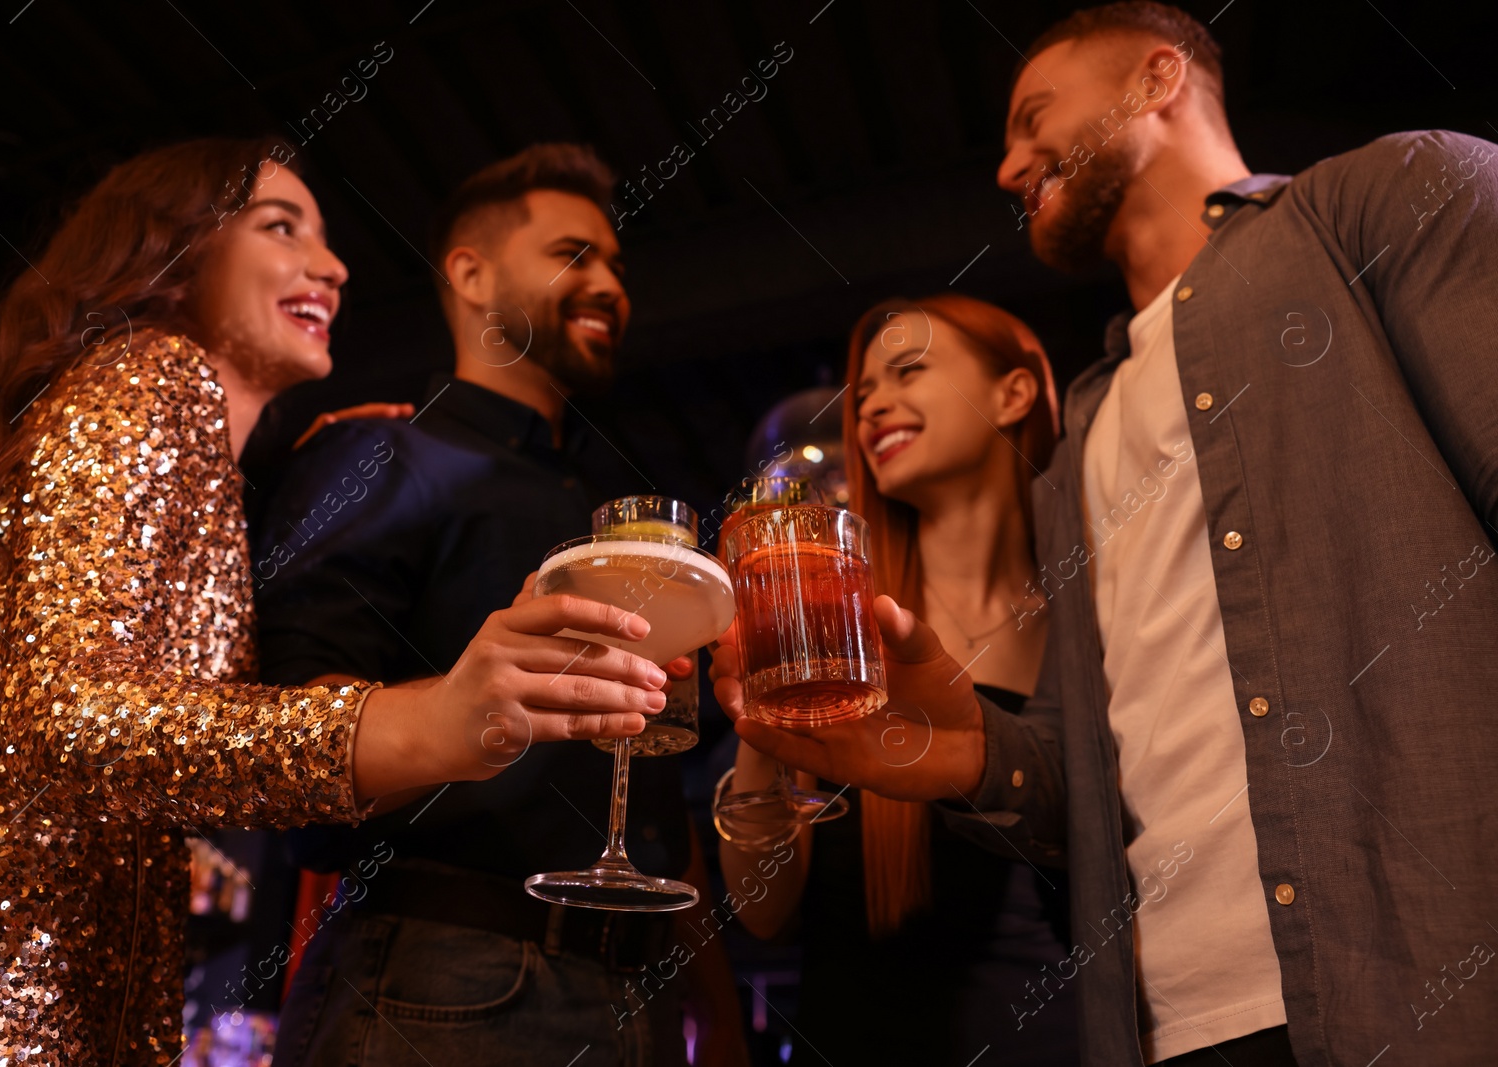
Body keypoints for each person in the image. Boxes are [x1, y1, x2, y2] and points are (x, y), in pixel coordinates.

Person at [717, 3, 1498, 1065]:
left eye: (1034, 115)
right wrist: (948, 749)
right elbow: (1081, 780)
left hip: (1419, 989)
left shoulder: (1379, 201)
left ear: (1157, 79)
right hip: (1163, 1024)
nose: (1005, 165)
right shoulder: (1086, 431)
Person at [0, 138, 671, 1067]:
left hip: (46, 966)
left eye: (329, 238)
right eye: (280, 226)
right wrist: (443, 718)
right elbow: (71, 719)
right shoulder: (157, 378)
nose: (335, 266)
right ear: (176, 253)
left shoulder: (206, 458)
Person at [255, 144, 745, 1067]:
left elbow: (654, 792)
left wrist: (714, 1014)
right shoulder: (376, 456)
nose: (608, 284)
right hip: (441, 979)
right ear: (471, 274)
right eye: (574, 255)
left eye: (616, 266)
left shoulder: (607, 500)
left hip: (641, 994)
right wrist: (458, 713)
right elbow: (287, 751)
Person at [716, 294, 1079, 1064]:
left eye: (907, 371)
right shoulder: (837, 616)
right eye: (864, 390)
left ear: (1014, 393)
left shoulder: (1093, 611)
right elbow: (762, 910)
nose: (872, 403)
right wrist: (760, 728)